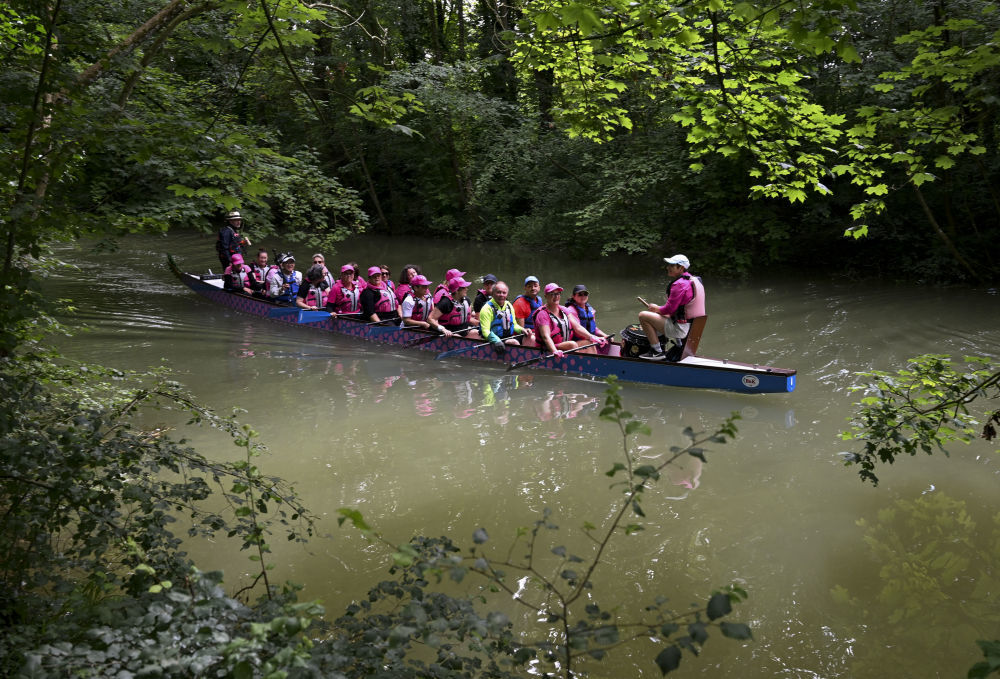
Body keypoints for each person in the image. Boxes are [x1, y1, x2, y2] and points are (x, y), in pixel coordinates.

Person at [638, 254, 705, 361]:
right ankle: (677, 345)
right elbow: (675, 310)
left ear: (681, 268)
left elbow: (669, 310)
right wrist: (658, 310)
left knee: (643, 316)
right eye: (669, 265)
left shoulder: (679, 284)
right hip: (690, 327)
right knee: (657, 314)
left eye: (672, 265)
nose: (668, 267)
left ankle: (657, 352)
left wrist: (656, 308)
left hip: (680, 329)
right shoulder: (692, 280)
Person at [532, 283, 606, 357]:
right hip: (548, 348)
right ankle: (578, 366)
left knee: (589, 342)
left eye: (558, 293)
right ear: (546, 296)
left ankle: (592, 364)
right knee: (572, 344)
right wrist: (554, 351)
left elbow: (577, 327)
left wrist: (592, 336)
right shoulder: (542, 314)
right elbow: (546, 337)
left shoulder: (564, 309)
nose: (556, 296)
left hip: (564, 344)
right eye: (552, 294)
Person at [478, 280, 532, 355]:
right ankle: (524, 356)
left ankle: (529, 354)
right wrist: (497, 341)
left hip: (507, 337)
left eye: (504, 293)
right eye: (498, 292)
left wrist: (522, 330)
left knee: (530, 337)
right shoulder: (486, 308)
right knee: (513, 342)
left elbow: (514, 325)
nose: (501, 295)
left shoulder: (509, 305)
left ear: (507, 294)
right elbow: (485, 332)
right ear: (493, 293)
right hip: (493, 340)